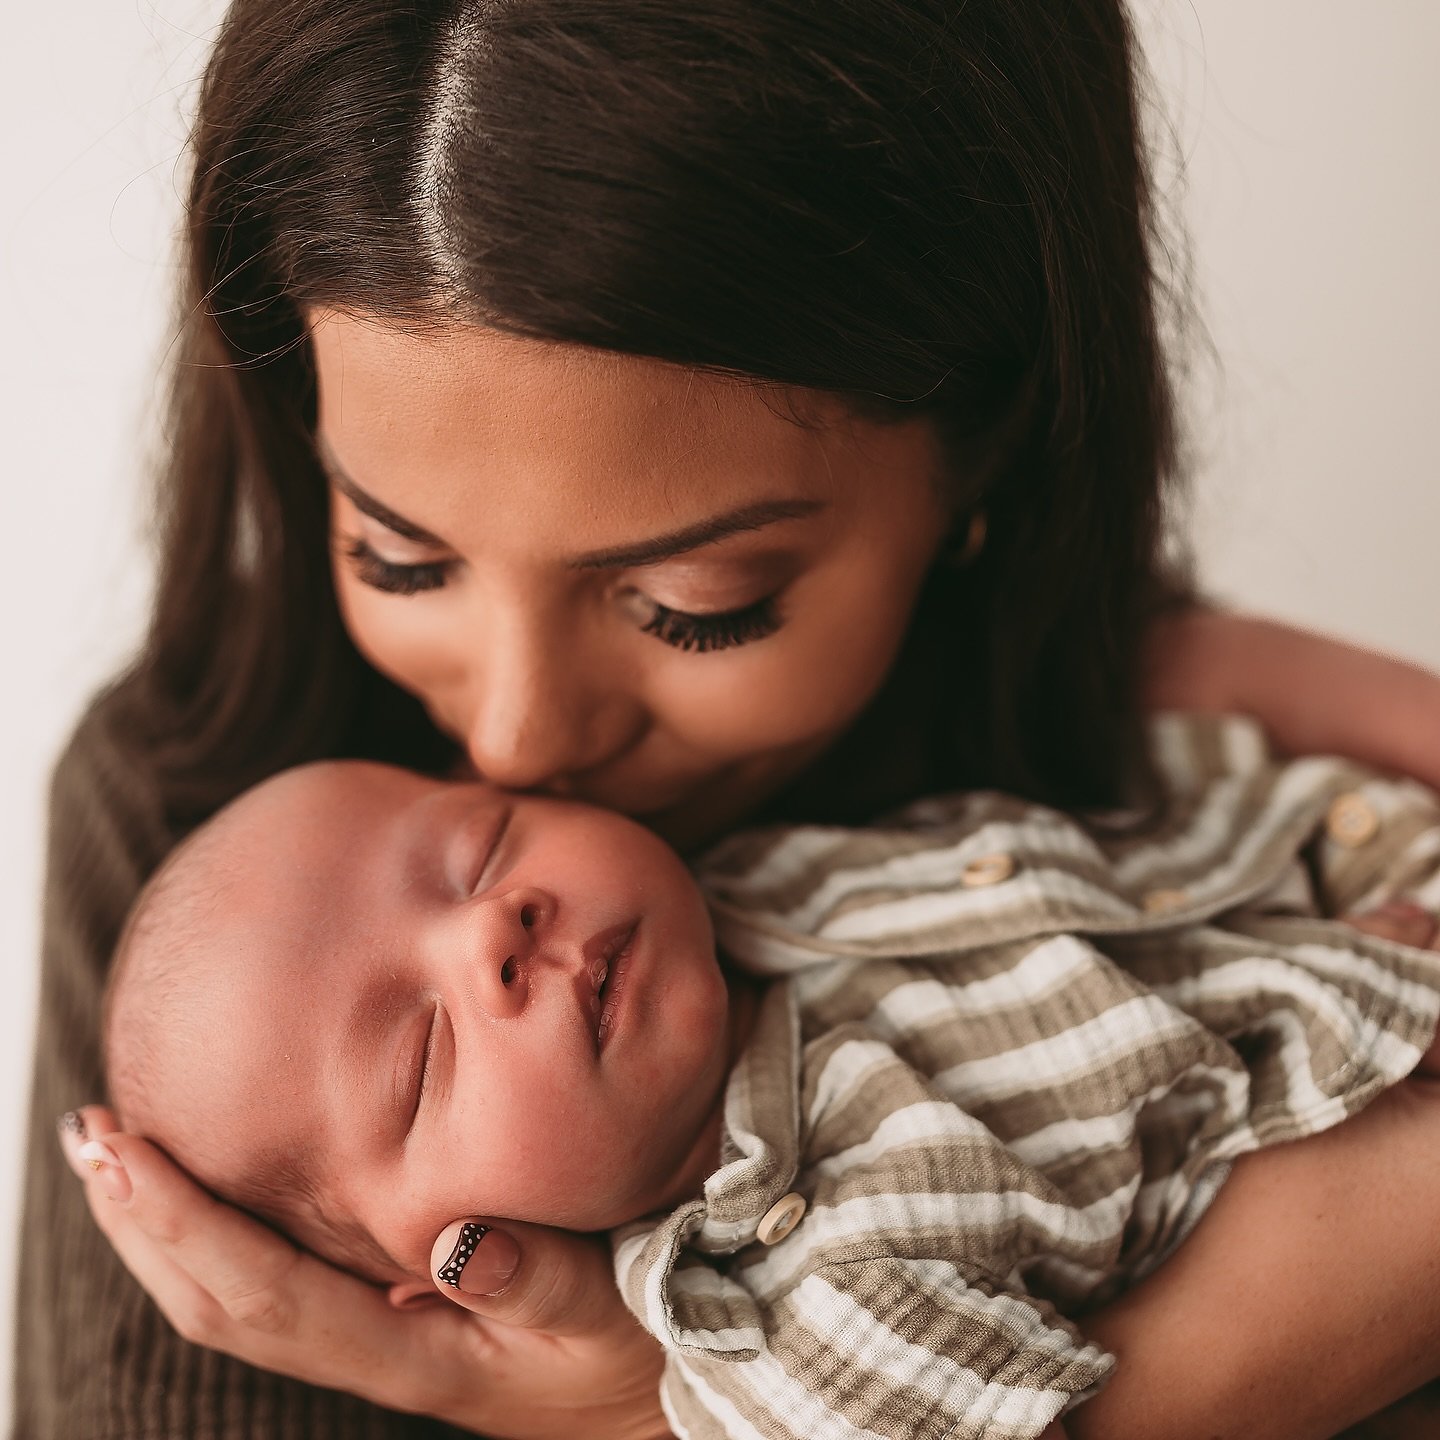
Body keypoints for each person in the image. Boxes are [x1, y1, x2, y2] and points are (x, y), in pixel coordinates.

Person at [23, 1, 1440, 1438]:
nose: (513, 743)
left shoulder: (1128, 713)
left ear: (978, 457)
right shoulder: (186, 850)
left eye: (696, 600)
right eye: (397, 554)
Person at [96, 713, 1440, 1440]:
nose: (490, 932)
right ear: (443, 1255)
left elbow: (1154, 838)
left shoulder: (777, 870)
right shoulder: (780, 1330)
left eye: (481, 849)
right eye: (425, 1052)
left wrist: (1339, 901)